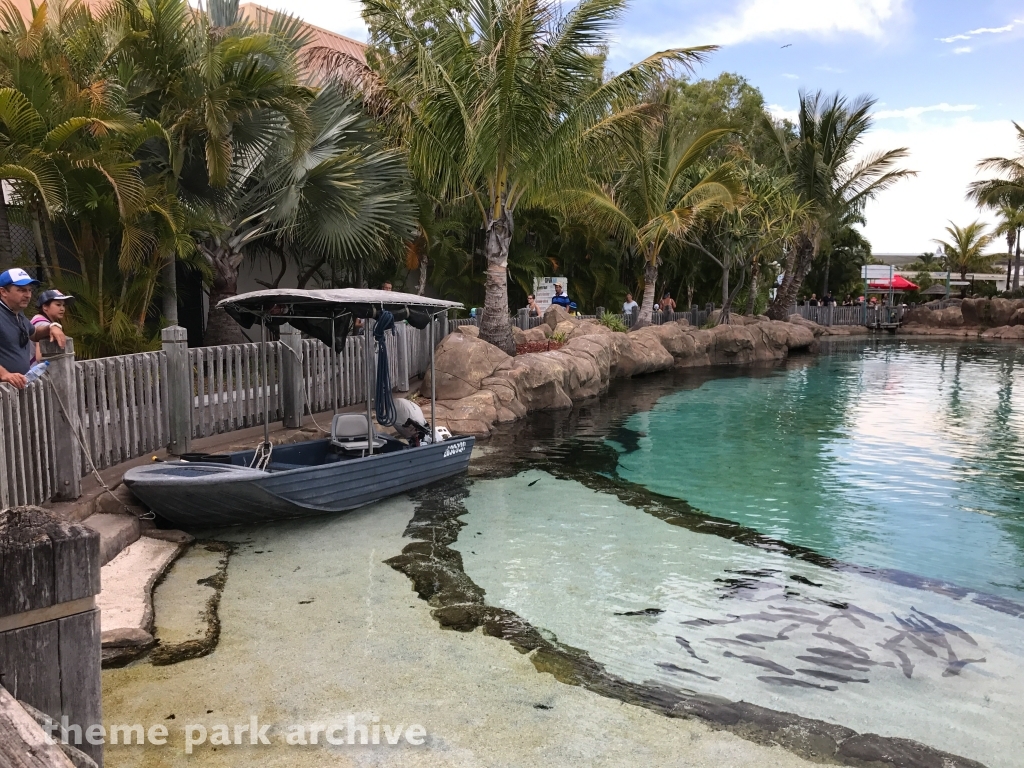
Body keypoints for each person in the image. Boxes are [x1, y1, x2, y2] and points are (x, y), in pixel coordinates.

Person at [0, 269, 66, 389]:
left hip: (18, 389)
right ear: (3, 291)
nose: (28, 295)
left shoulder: (18, 313)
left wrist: (51, 327)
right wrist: (5, 374)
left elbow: (34, 333)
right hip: (3, 391)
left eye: (29, 290)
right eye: (21, 290)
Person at [33, 289, 73, 362]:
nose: (62, 309)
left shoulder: (38, 319)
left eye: (63, 305)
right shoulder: (42, 323)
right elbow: (40, 357)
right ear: (45, 306)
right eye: (58, 305)